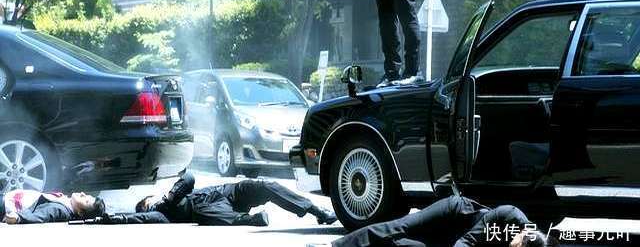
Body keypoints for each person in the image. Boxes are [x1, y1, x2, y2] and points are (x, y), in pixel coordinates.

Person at [98, 170, 337, 226]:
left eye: (149, 199)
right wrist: (112, 218)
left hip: (227, 192)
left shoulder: (172, 196)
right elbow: (137, 219)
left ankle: (317, 212)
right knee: (202, 215)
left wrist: (169, 196)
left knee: (266, 185)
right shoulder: (160, 214)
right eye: (146, 204)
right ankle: (250, 220)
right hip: (208, 210)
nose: (151, 202)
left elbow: (189, 177)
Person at [308, 195, 552, 247]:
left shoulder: (528, 242)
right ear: (524, 235)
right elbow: (468, 241)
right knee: (400, 227)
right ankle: (334, 246)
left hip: (453, 237)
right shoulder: (509, 213)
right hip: (452, 213)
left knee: (408, 245)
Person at [0, 188, 105, 224]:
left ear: (80, 212)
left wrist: (19, 218)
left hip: (5, 206)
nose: (82, 194)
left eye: (86, 201)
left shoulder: (60, 210)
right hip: (7, 200)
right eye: (86, 195)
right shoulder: (66, 202)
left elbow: (42, 215)